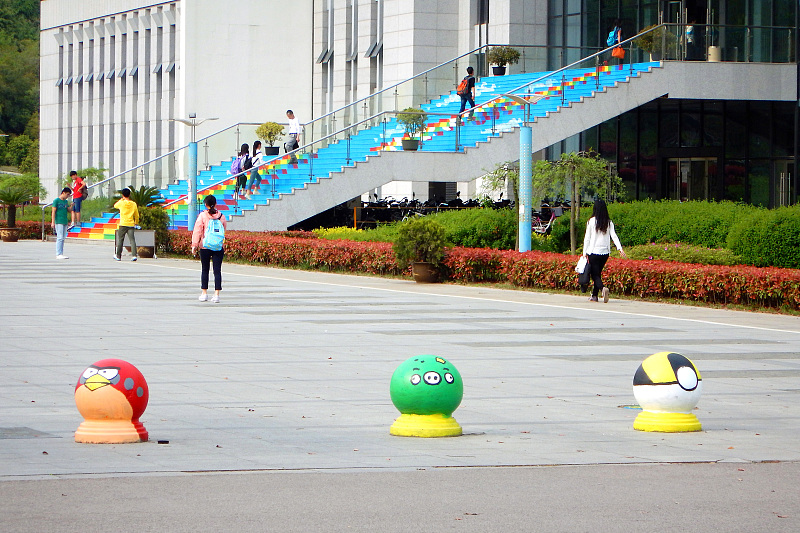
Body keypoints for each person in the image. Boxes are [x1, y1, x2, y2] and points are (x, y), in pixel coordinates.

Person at [582, 199, 627, 303]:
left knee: (595, 275)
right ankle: (594, 296)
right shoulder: (608, 222)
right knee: (598, 273)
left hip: (593, 251)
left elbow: (587, 238)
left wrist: (584, 252)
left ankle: (603, 289)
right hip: (605, 253)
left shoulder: (591, 221)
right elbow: (614, 236)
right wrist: (619, 248)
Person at [191, 195, 227, 303]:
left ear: (206, 205)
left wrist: (194, 245)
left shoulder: (202, 216)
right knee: (217, 271)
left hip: (205, 246)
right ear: (215, 204)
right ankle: (216, 295)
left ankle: (204, 293)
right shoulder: (222, 216)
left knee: (205, 270)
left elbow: (197, 231)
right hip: (218, 247)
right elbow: (223, 231)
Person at [113, 187, 140, 262]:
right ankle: (134, 255)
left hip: (123, 224)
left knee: (121, 240)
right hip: (131, 224)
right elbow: (136, 215)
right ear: (130, 194)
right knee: (132, 240)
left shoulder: (121, 203)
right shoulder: (133, 204)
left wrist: (122, 199)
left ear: (122, 195)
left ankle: (118, 255)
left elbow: (115, 205)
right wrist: (136, 222)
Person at [52, 187, 72, 259]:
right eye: (67, 194)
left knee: (63, 237)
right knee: (60, 237)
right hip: (59, 221)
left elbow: (68, 210)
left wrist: (71, 206)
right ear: (63, 193)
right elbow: (53, 211)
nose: (67, 196)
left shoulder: (65, 202)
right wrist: (53, 222)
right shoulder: (56, 201)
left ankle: (61, 253)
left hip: (64, 221)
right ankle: (58, 253)